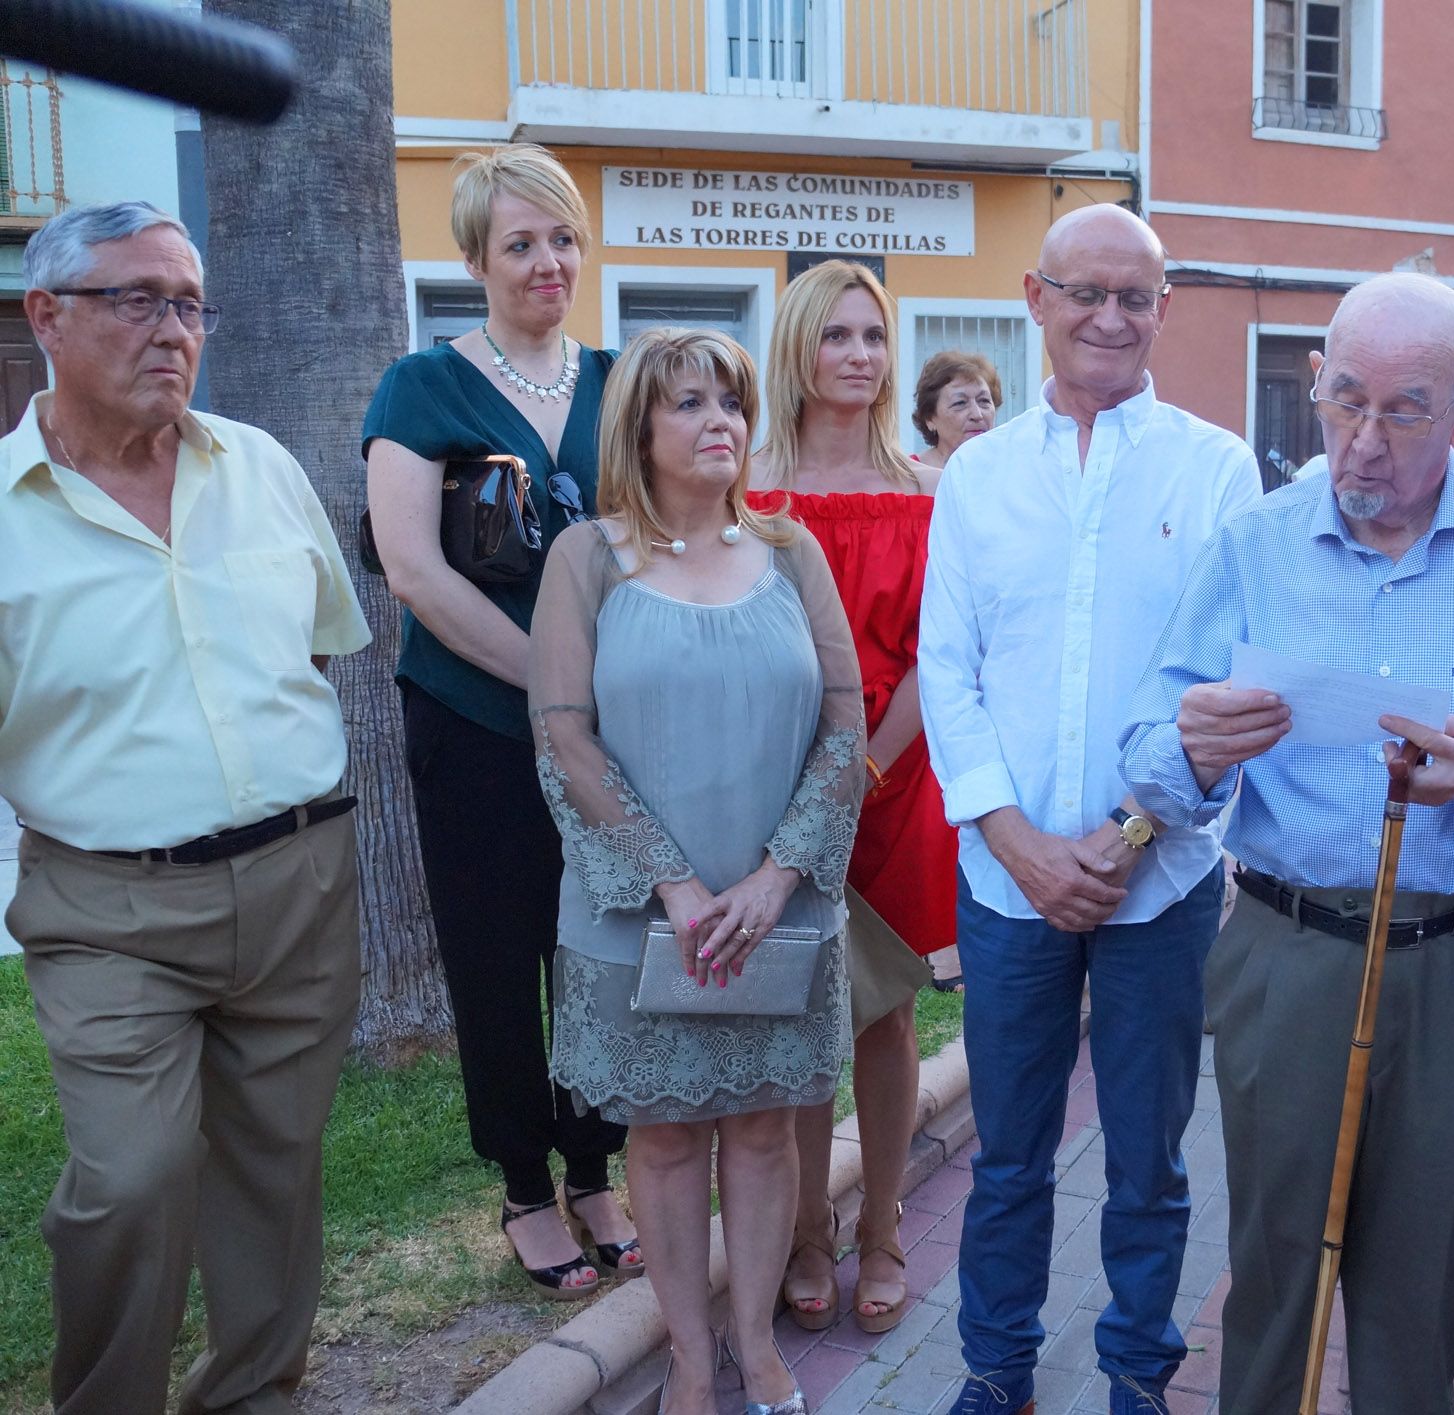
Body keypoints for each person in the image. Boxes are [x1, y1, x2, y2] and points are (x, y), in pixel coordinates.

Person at [1118, 272, 1454, 1414]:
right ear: (1312, 386)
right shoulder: (1254, 539)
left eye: (1403, 410)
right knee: (1274, 1282)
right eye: (1343, 400)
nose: (1363, 441)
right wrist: (1195, 748)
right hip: (1290, 951)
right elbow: (1151, 757)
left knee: (1424, 1296)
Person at [0, 201, 370, 1414]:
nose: (176, 329)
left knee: (274, 1167)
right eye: (140, 299)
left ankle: (253, 1392)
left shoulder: (259, 466)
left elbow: (315, 655)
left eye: (191, 303)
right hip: (108, 905)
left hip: (299, 883)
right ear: (45, 316)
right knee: (132, 1175)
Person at [918, 203, 1261, 1415]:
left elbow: (1226, 687)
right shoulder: (976, 474)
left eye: (1134, 297)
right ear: (1035, 296)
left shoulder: (1219, 470)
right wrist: (1014, 840)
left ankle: (1134, 1375)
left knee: (1148, 1163)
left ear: (1163, 310)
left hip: (1154, 884)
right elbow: (946, 671)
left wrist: (1118, 838)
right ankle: (993, 1368)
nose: (1108, 317)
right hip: (1006, 884)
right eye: (1085, 292)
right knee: (1004, 1158)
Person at [530, 327, 864, 1415]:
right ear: (638, 423)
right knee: (665, 1138)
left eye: (730, 400)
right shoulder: (587, 555)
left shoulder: (791, 552)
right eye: (688, 402)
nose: (719, 418)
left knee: (765, 1125)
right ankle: (683, 1355)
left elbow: (844, 719)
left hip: (778, 908)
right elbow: (563, 734)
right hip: (640, 910)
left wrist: (774, 879)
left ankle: (755, 1345)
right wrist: (672, 883)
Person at [364, 144, 634, 1297]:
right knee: (493, 955)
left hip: (610, 732)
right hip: (474, 722)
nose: (546, 261)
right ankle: (525, 1182)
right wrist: (553, 681)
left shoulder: (621, 381)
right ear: (474, 256)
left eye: (562, 238)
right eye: (519, 242)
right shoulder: (422, 388)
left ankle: (595, 1162)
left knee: (595, 952)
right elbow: (416, 573)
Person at [749, 260, 955, 1339]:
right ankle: (802, 1233)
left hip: (892, 768)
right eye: (836, 335)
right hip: (776, 780)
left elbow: (936, 651)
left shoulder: (927, 488)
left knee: (881, 1013)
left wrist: (867, 763)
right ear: (797, 347)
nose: (861, 356)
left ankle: (880, 1224)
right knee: (792, 1018)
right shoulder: (746, 484)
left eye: (874, 336)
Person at [911, 349, 1001, 470]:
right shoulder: (907, 478)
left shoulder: (1011, 470)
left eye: (984, 401)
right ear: (930, 419)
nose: (977, 414)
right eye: (960, 403)